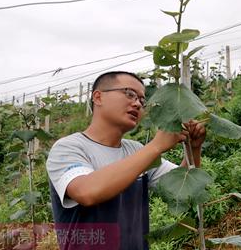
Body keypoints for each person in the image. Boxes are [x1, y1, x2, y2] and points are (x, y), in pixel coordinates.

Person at [46, 71, 205, 250]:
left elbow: (182, 192)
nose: (137, 103)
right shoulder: (69, 148)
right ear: (98, 97)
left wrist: (193, 149)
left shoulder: (136, 150)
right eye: (129, 94)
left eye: (142, 100)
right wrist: (155, 146)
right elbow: (87, 192)